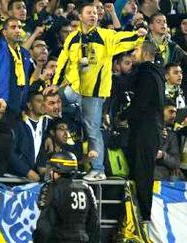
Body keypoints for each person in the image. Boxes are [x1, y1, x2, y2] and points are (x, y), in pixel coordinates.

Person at [51, 2, 147, 181]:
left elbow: (123, 39)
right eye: (89, 12)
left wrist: (138, 35)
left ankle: (98, 169)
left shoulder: (105, 36)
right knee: (53, 103)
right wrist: (55, 84)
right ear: (80, 16)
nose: (93, 15)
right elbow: (63, 61)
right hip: (74, 89)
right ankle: (50, 156)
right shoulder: (72, 37)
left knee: (93, 130)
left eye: (95, 13)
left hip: (94, 94)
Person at [122, 40, 165, 224]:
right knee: (141, 172)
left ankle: (143, 218)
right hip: (149, 129)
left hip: (145, 130)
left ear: (146, 53)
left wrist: (123, 115)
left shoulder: (147, 74)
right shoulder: (156, 74)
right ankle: (137, 215)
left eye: (137, 50)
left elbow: (140, 104)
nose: (133, 53)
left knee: (142, 173)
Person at [33, 151, 98, 243]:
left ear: (58, 169)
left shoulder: (52, 188)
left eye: (52, 168)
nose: (50, 172)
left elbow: (44, 227)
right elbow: (94, 224)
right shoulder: (86, 188)